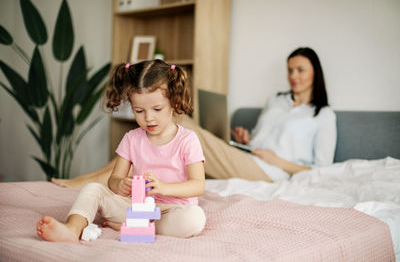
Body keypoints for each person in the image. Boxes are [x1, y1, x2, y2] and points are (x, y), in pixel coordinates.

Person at [52, 47, 336, 188]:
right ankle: (100, 176)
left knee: (181, 125)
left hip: (271, 172)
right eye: (290, 70)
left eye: (300, 70)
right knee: (176, 127)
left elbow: (323, 168)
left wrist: (277, 160)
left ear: (316, 72)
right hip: (248, 155)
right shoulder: (276, 102)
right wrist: (246, 138)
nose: (293, 76)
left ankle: (96, 178)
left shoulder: (324, 115)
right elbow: (265, 137)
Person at [37, 60, 207, 243]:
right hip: (136, 208)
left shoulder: (187, 140)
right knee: (93, 189)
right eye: (139, 110)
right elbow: (113, 179)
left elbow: (198, 185)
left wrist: (164, 188)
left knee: (194, 219)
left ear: (174, 102)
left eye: (157, 109)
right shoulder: (131, 138)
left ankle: (136, 227)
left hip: (172, 209)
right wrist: (120, 185)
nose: (148, 118)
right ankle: (72, 229)